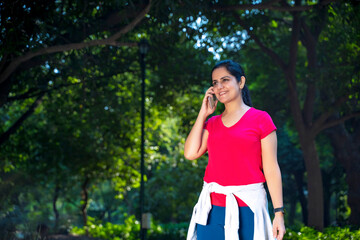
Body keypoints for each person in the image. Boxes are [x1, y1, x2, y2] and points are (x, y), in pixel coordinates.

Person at [184, 60, 286, 240]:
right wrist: (203, 113)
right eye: (215, 83)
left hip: (248, 209)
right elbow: (190, 153)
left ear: (241, 82)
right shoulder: (212, 123)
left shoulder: (261, 119)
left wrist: (278, 213)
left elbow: (271, 168)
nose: (219, 87)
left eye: (225, 80)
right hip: (211, 212)